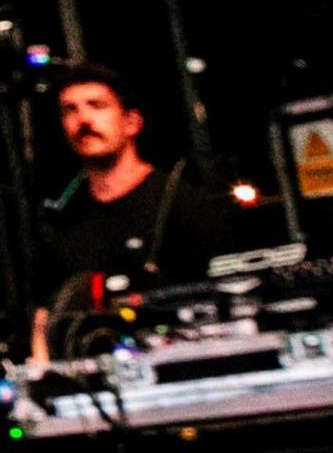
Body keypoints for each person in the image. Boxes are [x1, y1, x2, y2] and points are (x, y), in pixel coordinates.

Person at [33, 61, 236, 324]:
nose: (83, 119)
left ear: (132, 122)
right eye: (70, 110)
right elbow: (44, 309)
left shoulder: (180, 202)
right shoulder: (60, 218)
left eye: (97, 105)